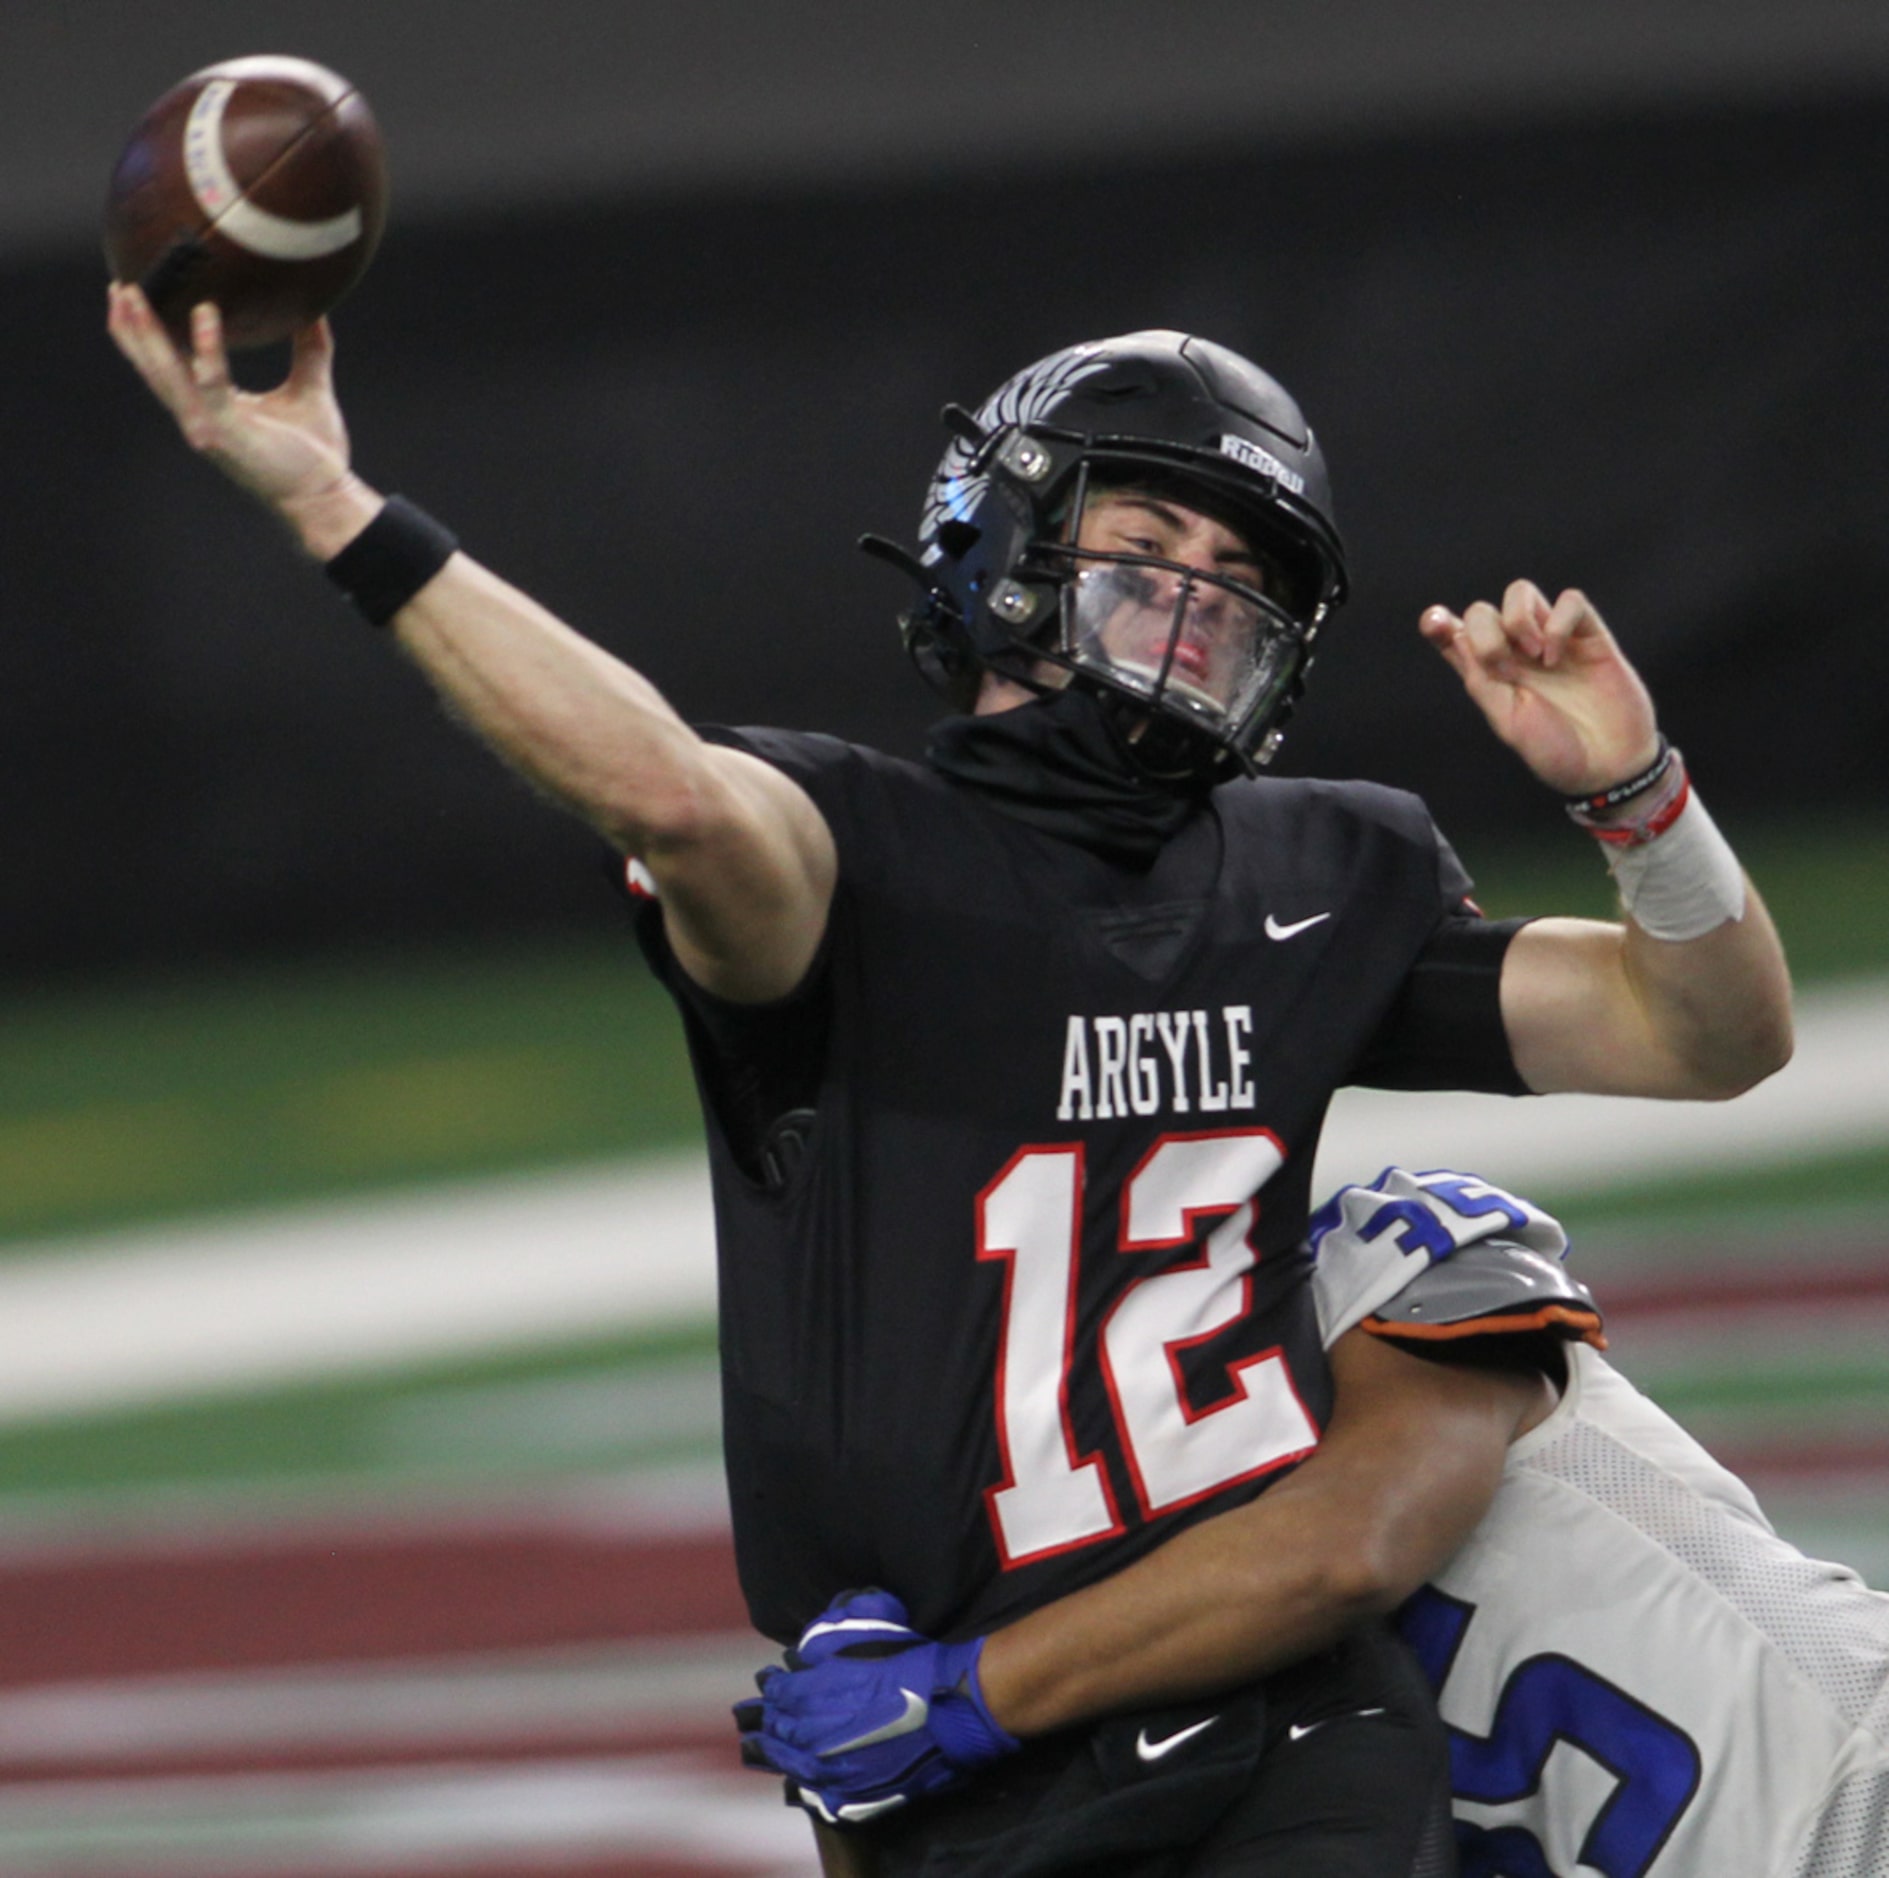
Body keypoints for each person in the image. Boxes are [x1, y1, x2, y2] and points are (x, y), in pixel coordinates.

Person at [106, 298, 1793, 1874]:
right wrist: (340, 507)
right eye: (1143, 548)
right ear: (999, 542)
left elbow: (1706, 1032)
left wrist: (1636, 793)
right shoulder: (852, 852)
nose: (1195, 598)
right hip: (931, 1757)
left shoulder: (1320, 870)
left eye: (1234, 568)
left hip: (1269, 1715)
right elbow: (673, 804)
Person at [747, 1167, 1889, 1878]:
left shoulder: (1362, 1273)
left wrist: (959, 1698)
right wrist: (854, 1787)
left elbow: (1347, 1550)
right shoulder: (1016, 1565)